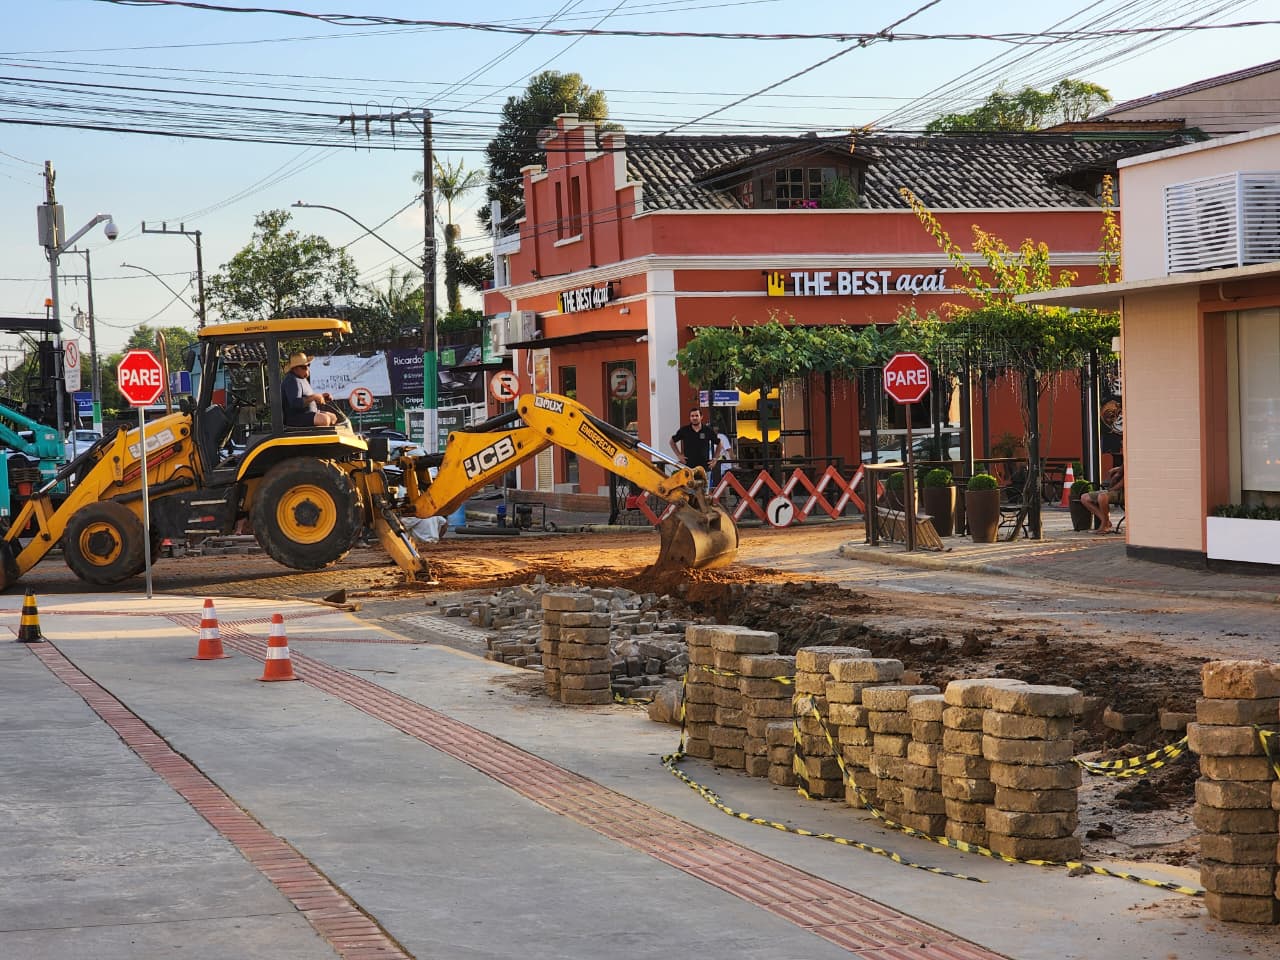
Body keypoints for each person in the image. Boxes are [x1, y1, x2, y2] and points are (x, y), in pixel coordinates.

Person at [281, 353, 338, 428]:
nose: (307, 368)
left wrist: (321, 397)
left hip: (308, 413)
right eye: (304, 367)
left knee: (333, 417)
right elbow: (295, 403)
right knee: (324, 419)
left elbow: (308, 398)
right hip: (295, 418)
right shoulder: (292, 380)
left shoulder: (302, 379)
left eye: (308, 365)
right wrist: (314, 397)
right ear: (295, 368)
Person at [669, 407, 717, 472]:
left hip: (704, 468)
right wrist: (679, 455)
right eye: (692, 416)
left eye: (697, 416)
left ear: (701, 417)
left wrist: (715, 458)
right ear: (690, 417)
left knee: (705, 482)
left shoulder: (707, 430)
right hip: (688, 467)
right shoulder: (684, 430)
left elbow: (719, 443)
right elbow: (672, 441)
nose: (694, 418)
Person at [1081, 461, 1124, 534]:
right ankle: (1106, 521)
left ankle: (1104, 526)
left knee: (1102, 497)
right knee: (1084, 497)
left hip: (1123, 493)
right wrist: (1116, 469)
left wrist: (1111, 489)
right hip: (1113, 490)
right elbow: (1123, 467)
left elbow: (1124, 481)